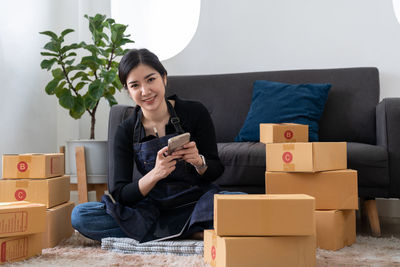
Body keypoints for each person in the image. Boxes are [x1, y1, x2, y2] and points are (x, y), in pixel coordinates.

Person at [71, 48, 225, 242]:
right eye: (135, 85)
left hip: (196, 204)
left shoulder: (195, 112)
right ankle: (192, 231)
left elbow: (217, 169)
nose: (145, 91)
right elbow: (120, 194)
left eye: (151, 79)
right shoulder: (125, 131)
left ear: (164, 78)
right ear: (128, 91)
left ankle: (170, 231)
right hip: (150, 211)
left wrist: (199, 162)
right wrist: (155, 174)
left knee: (240, 203)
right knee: (81, 215)